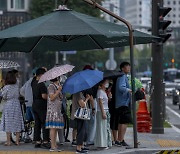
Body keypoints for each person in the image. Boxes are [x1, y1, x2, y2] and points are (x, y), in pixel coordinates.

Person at [0, 71, 24, 146]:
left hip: (9, 105)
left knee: (8, 123)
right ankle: (17, 141)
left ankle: (8, 141)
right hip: (16, 104)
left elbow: (3, 97)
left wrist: (2, 87)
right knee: (17, 121)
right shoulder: (17, 85)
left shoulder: (6, 87)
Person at [31, 67, 50, 149]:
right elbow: (44, 96)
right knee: (44, 123)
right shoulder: (41, 84)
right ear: (41, 75)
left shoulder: (33, 82)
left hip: (34, 104)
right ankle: (45, 141)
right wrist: (50, 95)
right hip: (42, 105)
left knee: (37, 123)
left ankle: (37, 141)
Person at [115, 62, 132, 146]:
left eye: (129, 67)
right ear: (122, 68)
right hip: (123, 103)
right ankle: (121, 140)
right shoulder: (122, 76)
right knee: (124, 122)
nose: (129, 68)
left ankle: (119, 139)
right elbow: (121, 88)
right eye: (127, 67)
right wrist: (129, 90)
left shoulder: (122, 76)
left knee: (121, 121)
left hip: (121, 102)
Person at [45, 77, 64, 152]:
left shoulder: (57, 86)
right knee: (53, 128)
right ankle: (52, 146)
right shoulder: (51, 86)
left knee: (55, 128)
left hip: (57, 109)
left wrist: (59, 90)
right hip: (53, 110)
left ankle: (54, 144)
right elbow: (52, 97)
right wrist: (58, 90)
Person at [94, 79, 112, 149]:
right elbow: (100, 103)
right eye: (106, 82)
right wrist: (103, 112)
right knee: (102, 128)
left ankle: (105, 143)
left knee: (105, 128)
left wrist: (109, 97)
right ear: (102, 83)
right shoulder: (100, 92)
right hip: (101, 111)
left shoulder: (104, 92)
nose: (107, 84)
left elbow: (105, 102)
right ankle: (102, 144)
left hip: (106, 110)